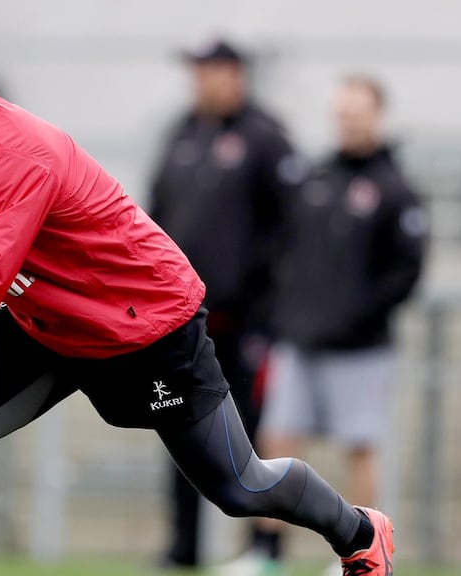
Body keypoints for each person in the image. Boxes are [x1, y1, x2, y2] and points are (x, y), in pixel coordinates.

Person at [0, 3, 395, 575]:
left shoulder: (3, 149)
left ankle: (361, 534)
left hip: (142, 329)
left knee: (241, 486)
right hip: (39, 321)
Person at [257, 74, 427, 573]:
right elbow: (283, 252)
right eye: (342, 112)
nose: (348, 121)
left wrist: (356, 318)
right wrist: (285, 314)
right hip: (298, 340)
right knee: (278, 439)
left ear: (377, 115)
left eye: (358, 111)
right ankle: (267, 553)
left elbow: (406, 271)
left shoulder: (395, 188)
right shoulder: (315, 180)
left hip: (360, 348)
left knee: (360, 445)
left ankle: (359, 553)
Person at [148, 37, 295, 572]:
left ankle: (265, 551)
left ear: (234, 74)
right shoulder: (181, 134)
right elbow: (154, 220)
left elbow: (290, 231)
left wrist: (271, 307)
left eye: (207, 71)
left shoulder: (267, 139)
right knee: (178, 425)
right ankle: (183, 547)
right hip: (184, 325)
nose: (198, 81)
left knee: (256, 434)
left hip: (247, 324)